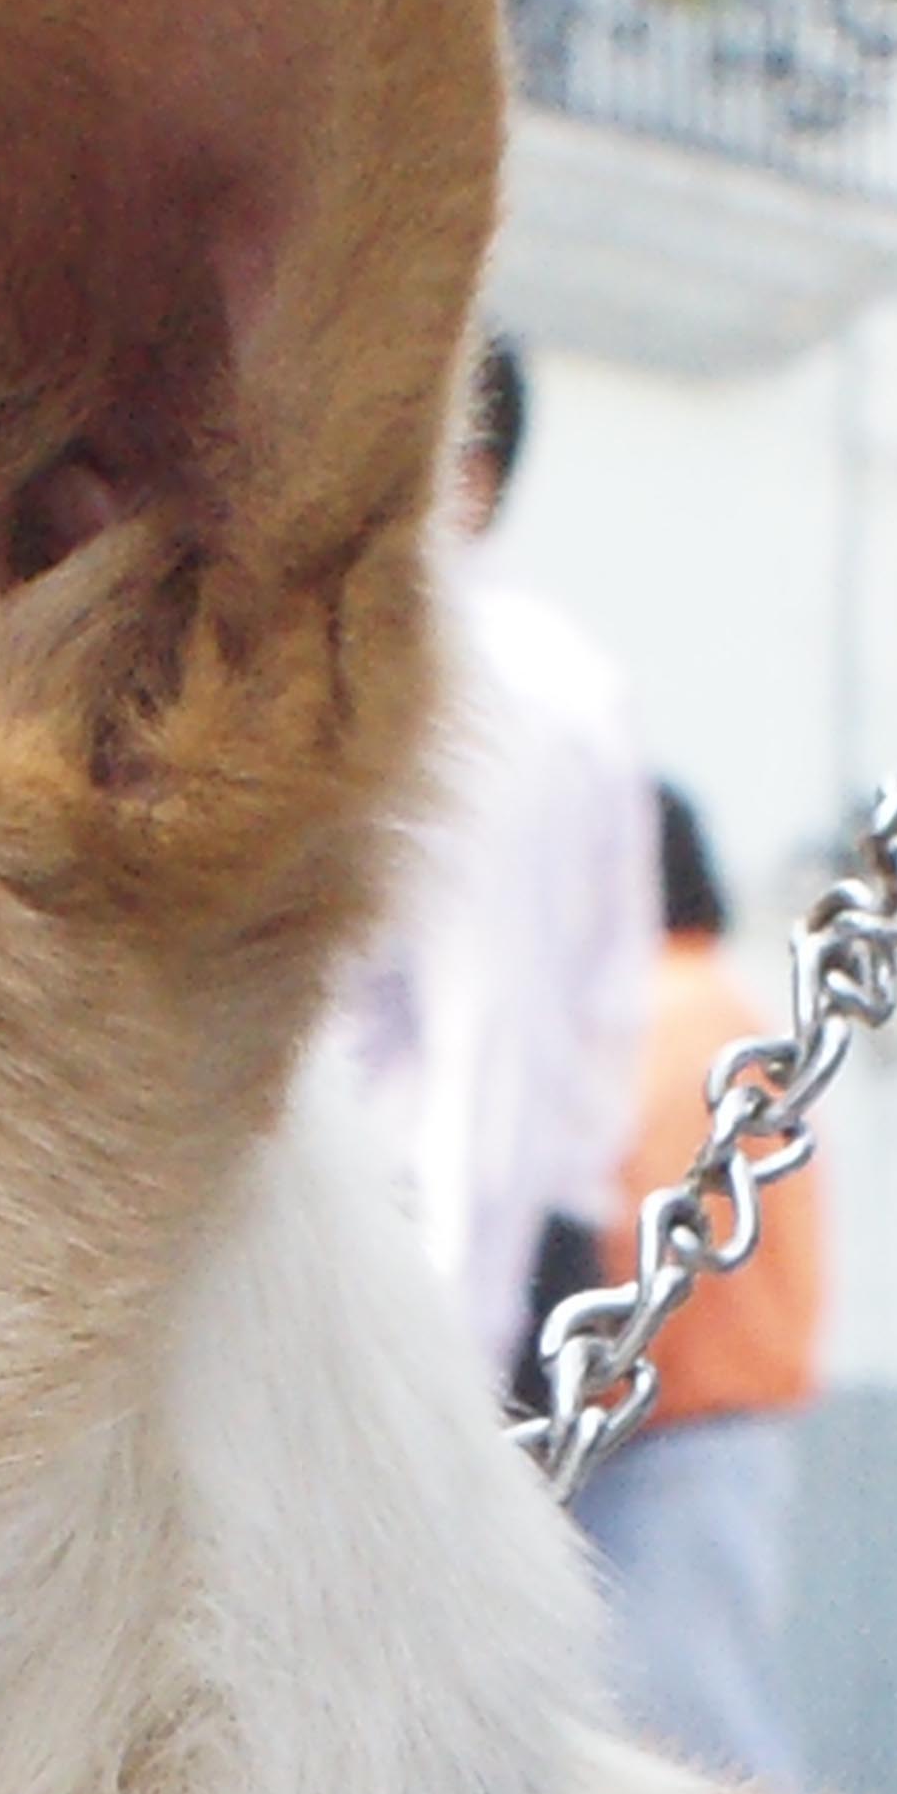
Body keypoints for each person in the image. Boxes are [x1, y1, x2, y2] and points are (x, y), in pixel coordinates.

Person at [311, 334, 661, 1391]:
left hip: (459, 1266)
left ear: (465, 475)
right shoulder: (430, 663)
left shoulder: (494, 680)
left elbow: (497, 1040)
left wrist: (452, 1365)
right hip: (418, 1247)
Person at [579, 786, 824, 1786]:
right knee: (690, 1740)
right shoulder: (705, 1007)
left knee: (703, 1751)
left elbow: (642, 1236)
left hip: (671, 1435)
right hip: (682, 1431)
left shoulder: (671, 1015)